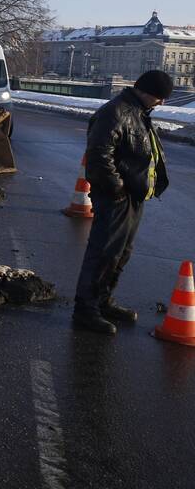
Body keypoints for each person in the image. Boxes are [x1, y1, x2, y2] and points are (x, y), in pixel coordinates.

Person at [73, 70, 172, 335]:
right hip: (115, 197)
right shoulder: (116, 112)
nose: (161, 102)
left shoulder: (138, 112)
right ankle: (86, 309)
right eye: (158, 96)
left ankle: (103, 301)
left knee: (120, 253)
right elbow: (98, 155)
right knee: (104, 252)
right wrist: (116, 188)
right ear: (144, 90)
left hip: (132, 196)